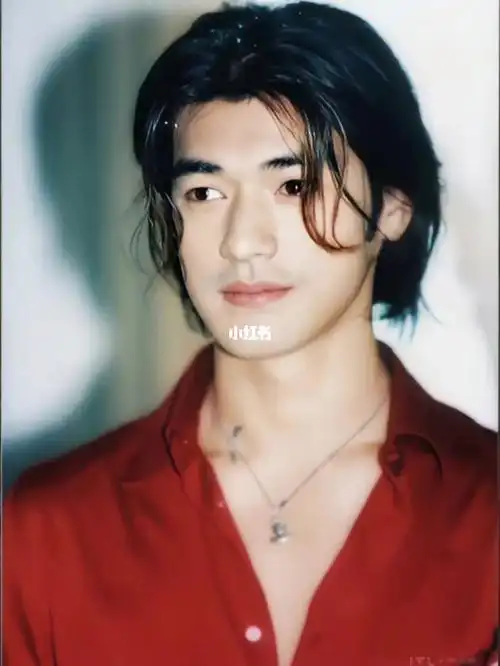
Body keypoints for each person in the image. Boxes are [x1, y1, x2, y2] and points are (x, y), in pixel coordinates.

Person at [3, 2, 498, 665]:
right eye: (204, 194)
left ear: (391, 208)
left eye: (293, 185)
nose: (241, 242)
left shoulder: (485, 508)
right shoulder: (49, 527)